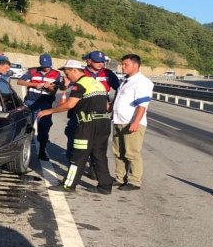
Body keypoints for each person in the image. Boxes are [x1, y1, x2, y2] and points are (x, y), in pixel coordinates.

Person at [37, 59, 113, 194]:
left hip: (87, 125)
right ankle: (105, 186)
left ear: (74, 70)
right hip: (103, 124)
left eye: (67, 73)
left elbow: (69, 105)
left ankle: (68, 185)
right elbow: (107, 107)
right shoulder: (97, 83)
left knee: (78, 155)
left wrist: (49, 111)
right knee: (99, 155)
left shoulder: (80, 84)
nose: (66, 77)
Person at [65, 51, 120, 176]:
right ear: (88, 61)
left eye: (102, 61)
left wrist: (112, 104)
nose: (100, 63)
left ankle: (94, 168)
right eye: (97, 61)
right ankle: (72, 164)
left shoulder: (108, 74)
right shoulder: (78, 72)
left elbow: (119, 89)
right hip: (79, 110)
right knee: (74, 138)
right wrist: (64, 84)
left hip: (98, 110)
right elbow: (65, 87)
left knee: (98, 143)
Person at [111, 54, 154, 191]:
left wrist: (136, 122)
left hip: (131, 122)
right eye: (122, 64)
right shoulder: (125, 81)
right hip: (118, 121)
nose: (122, 67)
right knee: (118, 152)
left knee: (131, 153)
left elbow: (142, 105)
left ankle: (134, 181)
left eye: (125, 65)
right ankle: (119, 177)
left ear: (136, 65)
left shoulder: (142, 82)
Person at [17, 53, 64, 161]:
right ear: (40, 64)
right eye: (44, 66)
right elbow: (19, 81)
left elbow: (54, 91)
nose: (46, 68)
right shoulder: (32, 71)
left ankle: (42, 151)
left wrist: (49, 88)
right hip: (31, 102)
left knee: (44, 128)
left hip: (45, 104)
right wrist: (34, 84)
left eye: (48, 66)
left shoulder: (56, 74)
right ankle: (21, 151)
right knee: (26, 126)